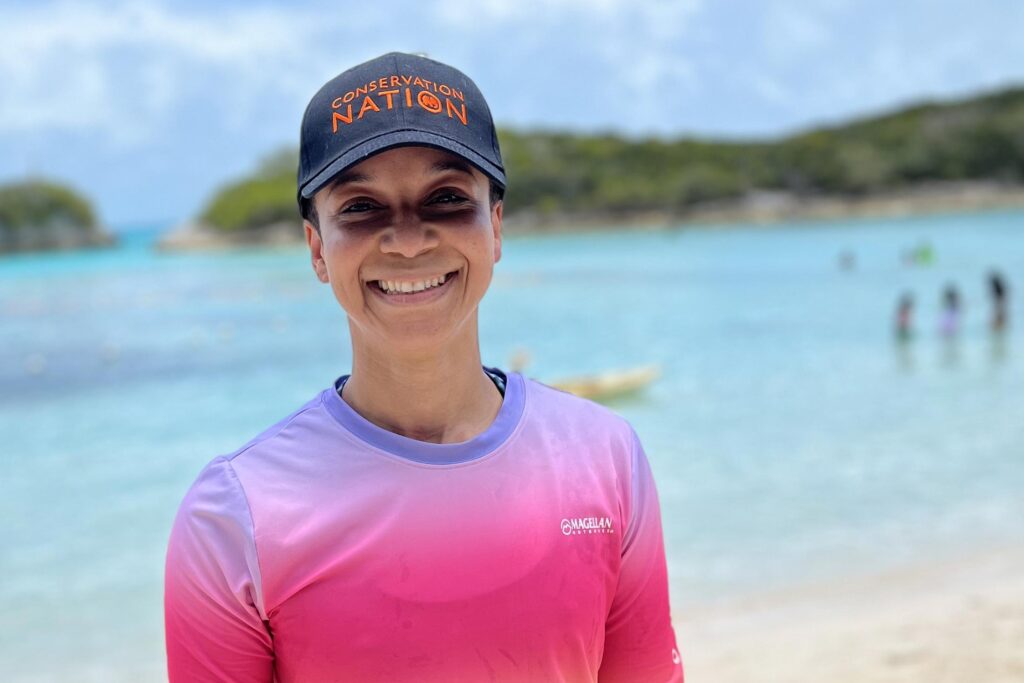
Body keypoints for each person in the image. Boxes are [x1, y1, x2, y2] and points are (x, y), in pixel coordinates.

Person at [163, 52, 683, 683]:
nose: (408, 240)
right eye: (360, 207)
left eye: (446, 198)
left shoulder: (605, 459)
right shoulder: (234, 514)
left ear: (494, 226)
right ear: (316, 248)